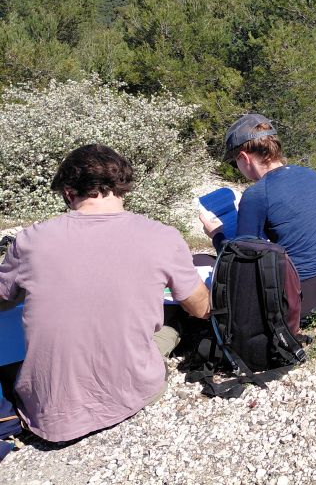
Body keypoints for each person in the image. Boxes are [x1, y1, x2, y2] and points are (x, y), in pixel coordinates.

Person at [0, 144, 210, 443]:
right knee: (172, 321)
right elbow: (200, 308)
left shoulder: (29, 241)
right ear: (124, 188)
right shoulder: (162, 236)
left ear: (68, 193)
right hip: (133, 393)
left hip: (48, 413)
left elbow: (3, 301)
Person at [202, 114, 316, 317]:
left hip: (301, 299)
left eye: (235, 163)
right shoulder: (312, 175)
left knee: (202, 261)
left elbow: (240, 265)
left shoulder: (257, 194)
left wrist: (216, 235)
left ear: (244, 157)